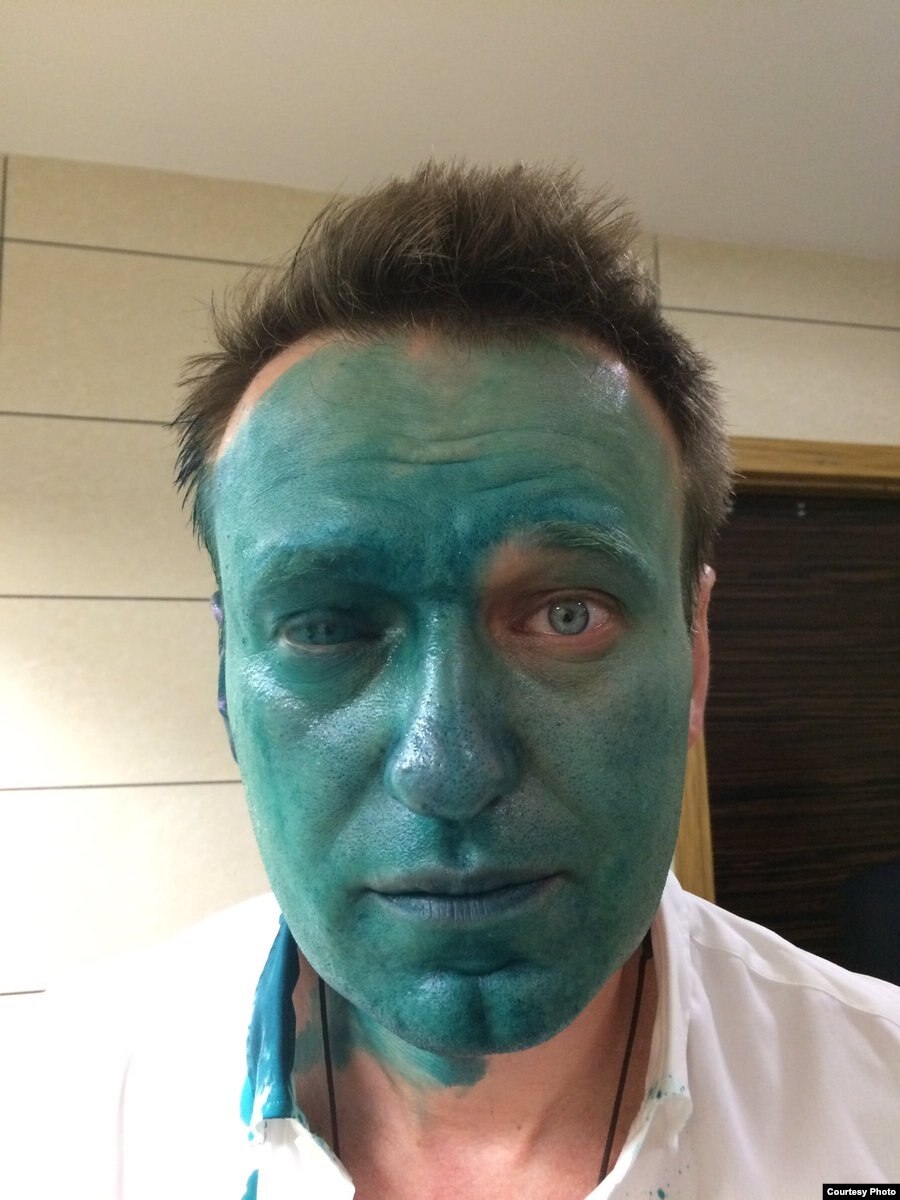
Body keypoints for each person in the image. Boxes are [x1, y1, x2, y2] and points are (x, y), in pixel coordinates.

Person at [48, 163, 900, 1199]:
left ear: (698, 653)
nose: (448, 769)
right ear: (226, 677)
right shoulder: (50, 1114)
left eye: (567, 614)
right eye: (326, 626)